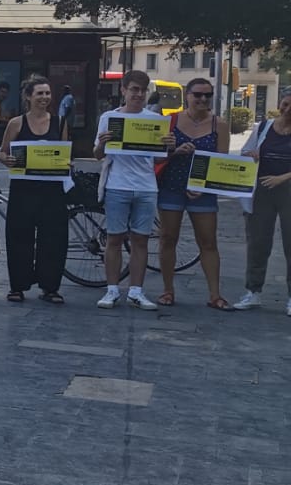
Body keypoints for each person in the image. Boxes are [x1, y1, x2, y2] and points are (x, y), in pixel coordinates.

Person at [94, 69, 170, 310]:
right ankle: (112, 289)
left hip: (147, 187)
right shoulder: (108, 117)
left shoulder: (155, 120)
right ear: (123, 90)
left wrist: (168, 148)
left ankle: (136, 291)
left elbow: (158, 160)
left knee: (141, 241)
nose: (138, 94)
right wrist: (103, 143)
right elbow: (97, 154)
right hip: (117, 185)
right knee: (114, 239)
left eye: (142, 90)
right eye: (134, 89)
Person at [157, 78, 230, 310]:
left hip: (203, 191)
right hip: (171, 187)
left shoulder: (219, 125)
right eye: (197, 95)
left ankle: (215, 295)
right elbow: (157, 157)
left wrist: (203, 187)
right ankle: (167, 291)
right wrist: (174, 151)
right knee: (168, 239)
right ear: (187, 96)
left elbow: (221, 164)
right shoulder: (170, 121)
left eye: (207, 95)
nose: (202, 100)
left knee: (208, 242)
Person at [0, 76, 68, 303]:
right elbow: (4, 153)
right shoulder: (16, 123)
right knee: (19, 237)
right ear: (28, 97)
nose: (44, 98)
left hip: (52, 190)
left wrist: (67, 164)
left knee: (53, 239)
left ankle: (50, 287)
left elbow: (65, 152)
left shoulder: (60, 122)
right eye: (39, 93)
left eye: (47, 93)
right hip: (23, 190)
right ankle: (17, 286)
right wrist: (6, 160)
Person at [238, 87, 291, 313]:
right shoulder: (263, 128)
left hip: (287, 191)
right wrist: (251, 155)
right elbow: (244, 152)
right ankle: (253, 292)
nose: (286, 109)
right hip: (261, 191)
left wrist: (283, 177)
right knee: (258, 242)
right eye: (285, 104)